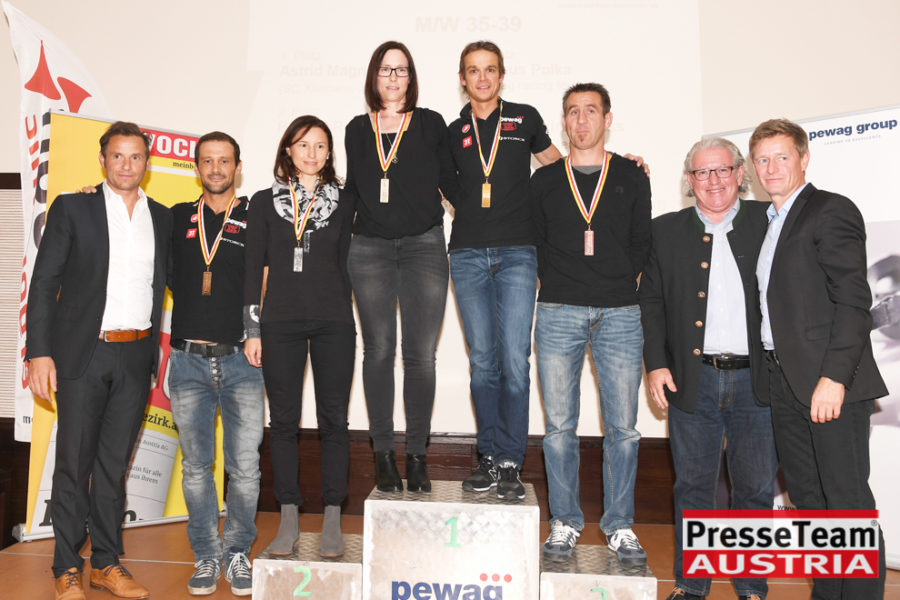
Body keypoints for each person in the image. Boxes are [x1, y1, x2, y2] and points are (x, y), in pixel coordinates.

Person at [26, 121, 172, 600]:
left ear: (147, 162)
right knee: (73, 464)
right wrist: (38, 353)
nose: (126, 165)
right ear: (103, 159)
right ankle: (66, 567)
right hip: (82, 354)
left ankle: (106, 563)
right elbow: (44, 283)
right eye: (117, 156)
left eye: (135, 156)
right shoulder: (74, 207)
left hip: (137, 355)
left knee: (113, 467)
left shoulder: (162, 218)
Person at [752, 118, 887, 599]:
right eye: (762, 159)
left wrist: (834, 378)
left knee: (847, 502)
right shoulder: (768, 223)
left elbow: (853, 302)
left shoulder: (830, 210)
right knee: (809, 503)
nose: (771, 167)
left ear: (804, 159)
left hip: (829, 384)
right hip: (784, 383)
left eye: (781, 157)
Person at [639, 138, 777, 600]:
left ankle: (752, 587)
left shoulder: (770, 220)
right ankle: (691, 585)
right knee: (694, 489)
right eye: (702, 172)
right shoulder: (664, 231)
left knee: (755, 490)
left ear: (740, 174)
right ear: (689, 180)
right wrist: (656, 365)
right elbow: (651, 303)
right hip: (692, 380)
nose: (713, 181)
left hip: (758, 382)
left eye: (722, 170)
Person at [532, 83, 651, 563]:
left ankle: (619, 525)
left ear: (607, 119)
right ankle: (564, 521)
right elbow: (536, 244)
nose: (581, 120)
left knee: (624, 428)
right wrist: (563, 283)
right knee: (559, 427)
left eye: (591, 111)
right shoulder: (544, 180)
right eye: (573, 112)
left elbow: (641, 241)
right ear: (564, 122)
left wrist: (615, 281)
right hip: (558, 311)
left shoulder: (631, 174)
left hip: (620, 312)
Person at [446, 40, 561, 499]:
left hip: (518, 254)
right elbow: (443, 184)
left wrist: (616, 166)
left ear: (501, 75)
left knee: (514, 360)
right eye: (473, 70)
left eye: (490, 69)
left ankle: (511, 460)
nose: (482, 78)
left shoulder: (524, 118)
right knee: (482, 363)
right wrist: (470, 209)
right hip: (467, 255)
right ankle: (489, 457)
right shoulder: (453, 131)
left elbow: (559, 166)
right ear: (463, 79)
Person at [344, 41, 458, 492]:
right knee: (377, 351)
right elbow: (352, 192)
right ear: (374, 76)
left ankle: (417, 456)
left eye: (402, 70)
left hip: (423, 247)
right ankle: (383, 457)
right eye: (385, 70)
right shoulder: (357, 129)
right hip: (368, 250)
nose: (393, 78)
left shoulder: (430, 124)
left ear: (412, 78)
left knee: (421, 356)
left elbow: (452, 183)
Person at [243, 116, 356, 560]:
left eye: (321, 146)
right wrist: (253, 329)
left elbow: (351, 262)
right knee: (284, 422)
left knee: (334, 421)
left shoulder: (346, 201)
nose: (312, 153)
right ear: (287, 150)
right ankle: (288, 517)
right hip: (280, 323)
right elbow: (252, 270)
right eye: (303, 144)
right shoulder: (262, 202)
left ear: (330, 153)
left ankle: (332, 517)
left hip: (334, 322)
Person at [167, 132, 263, 596]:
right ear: (196, 167)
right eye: (208, 161)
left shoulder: (256, 216)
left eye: (224, 161)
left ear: (237, 167)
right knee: (196, 468)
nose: (216, 169)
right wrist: (91, 192)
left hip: (243, 361)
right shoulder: (175, 217)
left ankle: (238, 551)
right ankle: (207, 554)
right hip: (187, 363)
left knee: (245, 469)